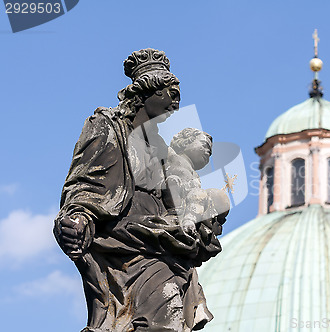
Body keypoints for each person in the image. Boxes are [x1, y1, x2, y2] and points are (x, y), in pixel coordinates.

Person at [53, 48, 226, 332]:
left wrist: (203, 216)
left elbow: (179, 201)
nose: (175, 101)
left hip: (164, 242)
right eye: (169, 92)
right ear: (147, 92)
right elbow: (84, 181)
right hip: (124, 237)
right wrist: (78, 216)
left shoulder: (165, 151)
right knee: (162, 318)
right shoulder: (107, 126)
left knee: (167, 317)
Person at [165, 127, 230, 239]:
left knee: (199, 194)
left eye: (209, 153)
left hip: (188, 195)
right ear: (185, 141)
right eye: (204, 145)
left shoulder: (195, 175)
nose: (207, 152)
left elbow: (194, 193)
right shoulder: (170, 154)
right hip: (170, 187)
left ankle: (190, 220)